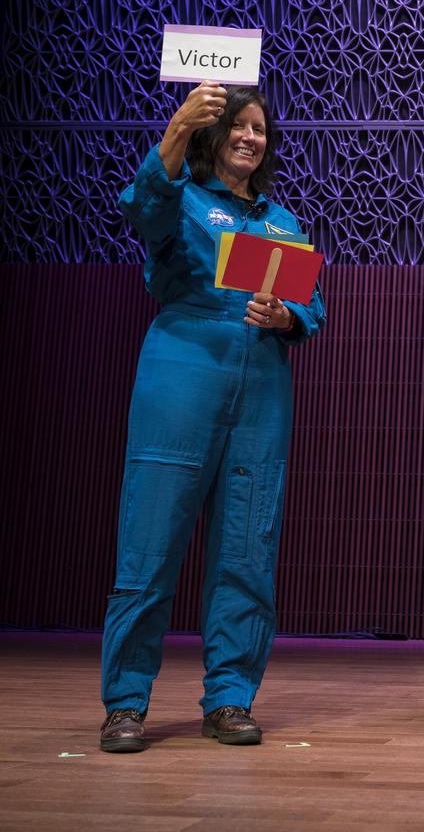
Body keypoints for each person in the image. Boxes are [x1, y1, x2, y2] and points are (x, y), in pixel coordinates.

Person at [99, 82, 327, 752]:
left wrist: (287, 316)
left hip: (262, 389)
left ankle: (230, 697)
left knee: (247, 550)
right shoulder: (183, 199)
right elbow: (145, 206)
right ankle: (126, 702)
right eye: (236, 126)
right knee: (150, 546)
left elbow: (310, 308)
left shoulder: (285, 223)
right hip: (183, 373)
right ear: (211, 136)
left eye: (259, 129)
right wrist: (175, 129)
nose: (249, 137)